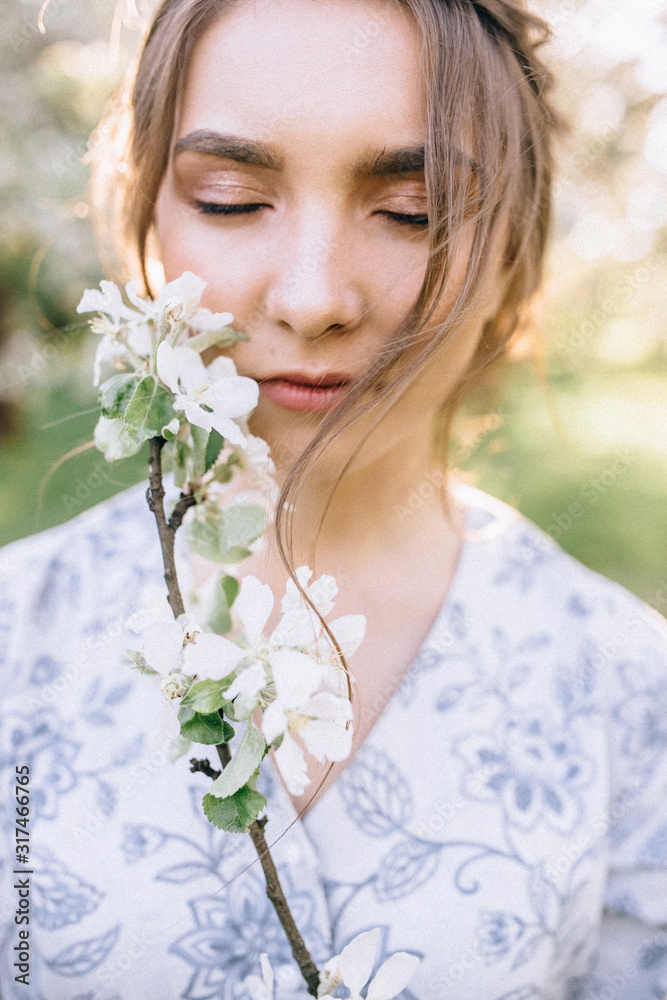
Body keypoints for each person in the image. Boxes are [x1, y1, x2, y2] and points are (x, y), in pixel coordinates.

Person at [1, 1, 666, 998]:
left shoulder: (626, 692)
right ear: (141, 215)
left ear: (514, 249)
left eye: (414, 211)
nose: (314, 300)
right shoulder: (17, 636)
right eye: (229, 197)